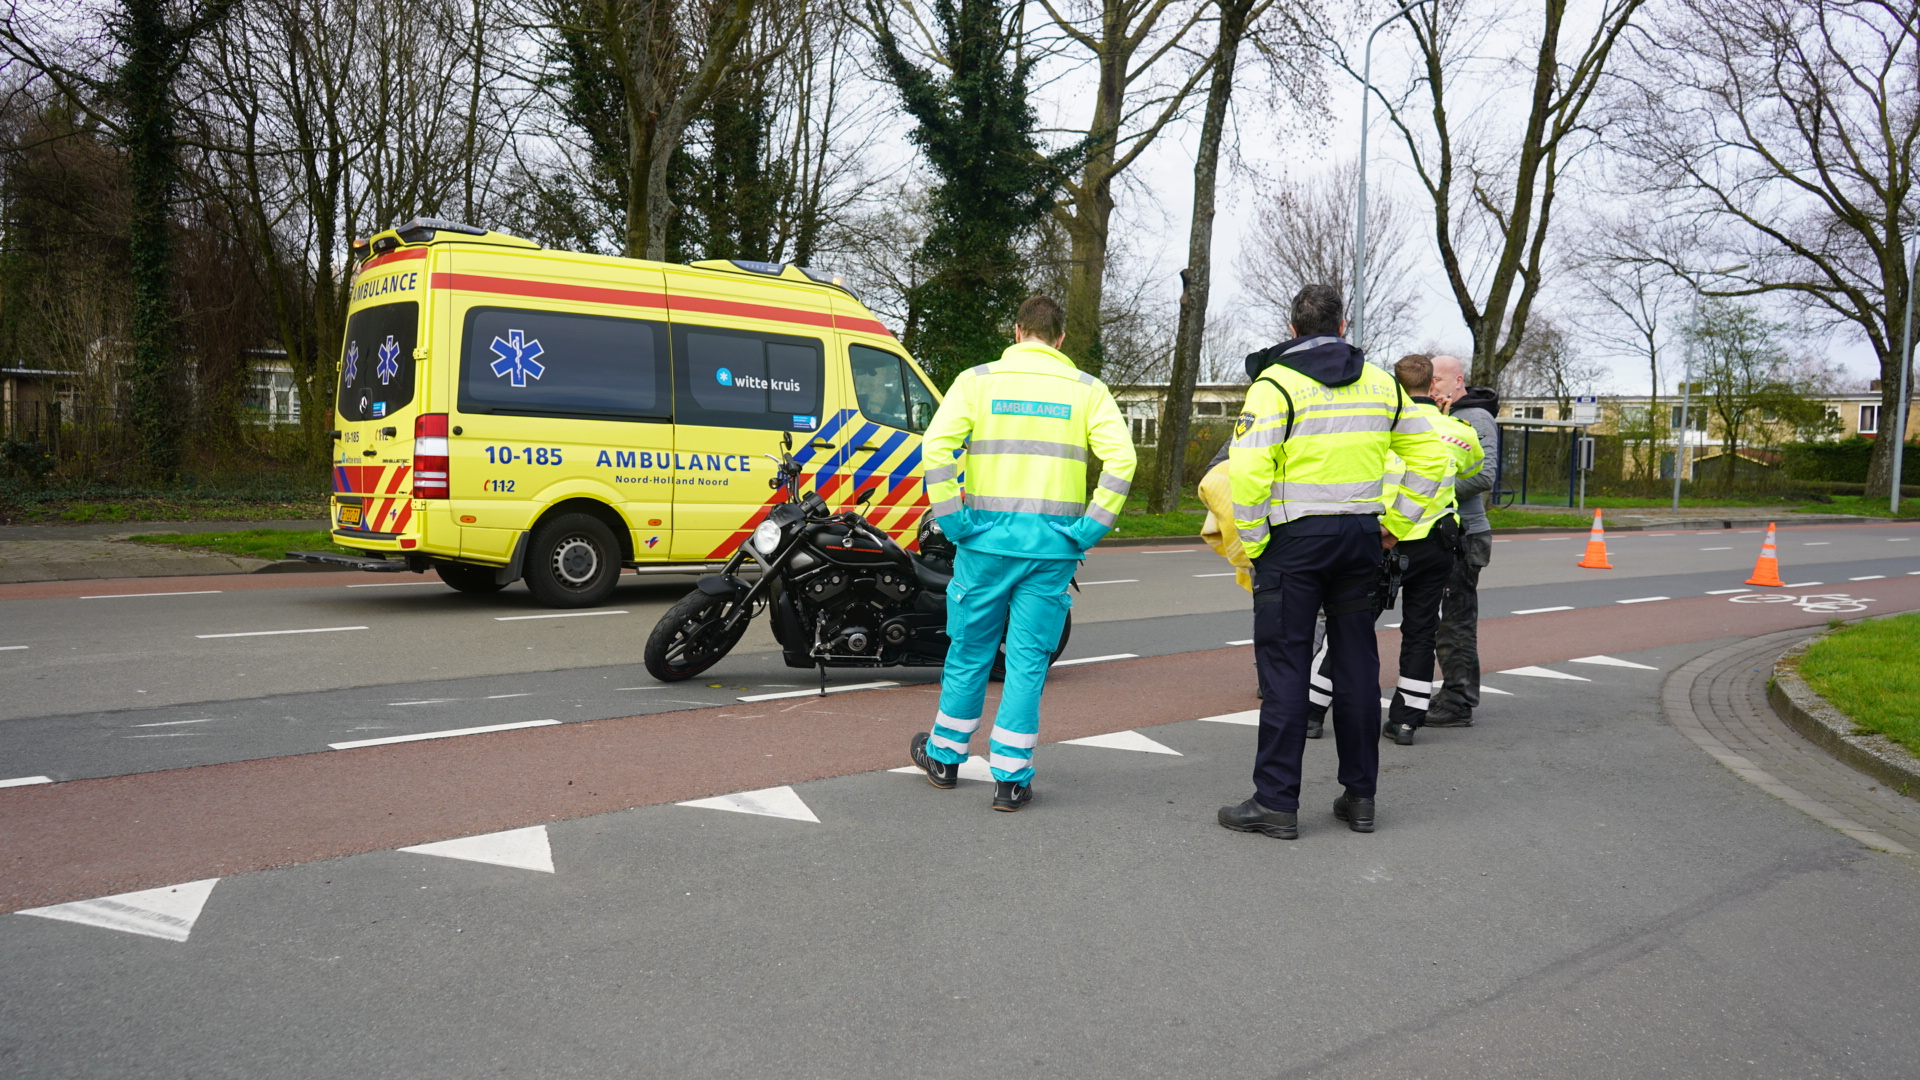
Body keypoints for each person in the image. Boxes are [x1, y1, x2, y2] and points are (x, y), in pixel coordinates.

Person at [1217, 285, 1449, 839]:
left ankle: (1276, 802)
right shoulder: (1382, 384)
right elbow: (1432, 455)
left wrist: (1253, 541)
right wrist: (1397, 523)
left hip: (1293, 544)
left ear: (1293, 328)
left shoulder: (1274, 385)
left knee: (1286, 668)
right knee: (1355, 669)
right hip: (1361, 539)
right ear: (1344, 325)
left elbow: (1247, 472)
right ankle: (1360, 798)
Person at [908, 295, 1137, 812]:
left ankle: (944, 758)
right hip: (1053, 551)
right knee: (1028, 662)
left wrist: (953, 519)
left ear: (1017, 332)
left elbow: (936, 449)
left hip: (983, 545)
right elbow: (1122, 460)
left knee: (969, 652)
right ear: (1059, 339)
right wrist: (1088, 529)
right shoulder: (1088, 391)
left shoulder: (977, 381)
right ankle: (1010, 779)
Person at [1378, 354, 1484, 745]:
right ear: (1432, 386)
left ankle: (1313, 712)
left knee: (1348, 624)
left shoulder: (1382, 426)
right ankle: (1406, 722)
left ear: (1396, 385)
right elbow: (1474, 471)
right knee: (1420, 634)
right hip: (1435, 544)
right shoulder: (1460, 430)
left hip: (1383, 538)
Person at [1427, 357, 1499, 726]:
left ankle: (1459, 700)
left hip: (1465, 534)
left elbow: (1485, 475)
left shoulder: (1476, 419)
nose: (1431, 385)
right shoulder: (1442, 414)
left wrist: (1429, 488)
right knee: (1443, 620)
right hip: (1445, 532)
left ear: (1457, 380)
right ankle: (1452, 691)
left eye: (1436, 379)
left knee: (1455, 621)